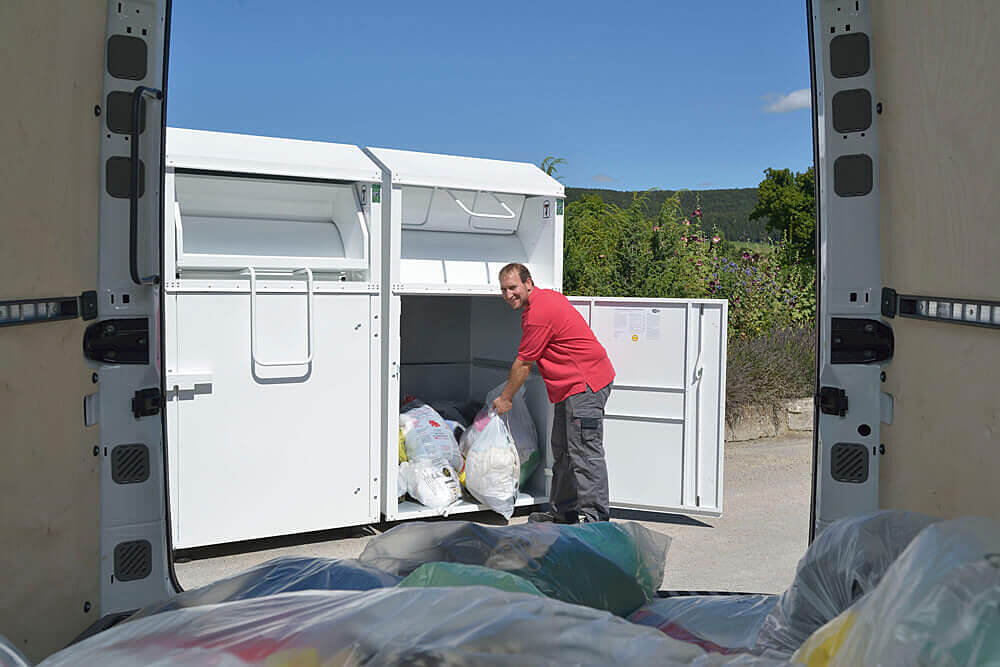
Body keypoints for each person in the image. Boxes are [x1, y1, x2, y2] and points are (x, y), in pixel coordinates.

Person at [491, 263, 615, 523]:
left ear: (528, 282)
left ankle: (597, 523)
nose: (508, 294)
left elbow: (524, 363)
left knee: (584, 454)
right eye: (503, 290)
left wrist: (505, 399)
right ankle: (563, 514)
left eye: (512, 288)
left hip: (584, 386)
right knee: (564, 453)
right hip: (571, 389)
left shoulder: (539, 312)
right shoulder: (543, 301)